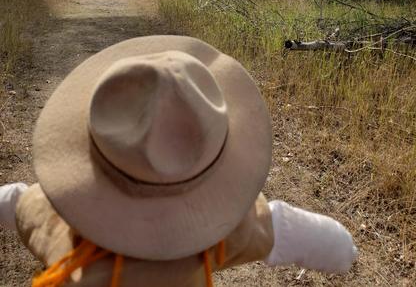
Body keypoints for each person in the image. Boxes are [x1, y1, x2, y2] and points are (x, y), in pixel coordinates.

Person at [0, 35, 357, 287]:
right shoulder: (223, 234)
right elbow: (323, 243)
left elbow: (17, 201)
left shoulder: (54, 215)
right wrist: (344, 251)